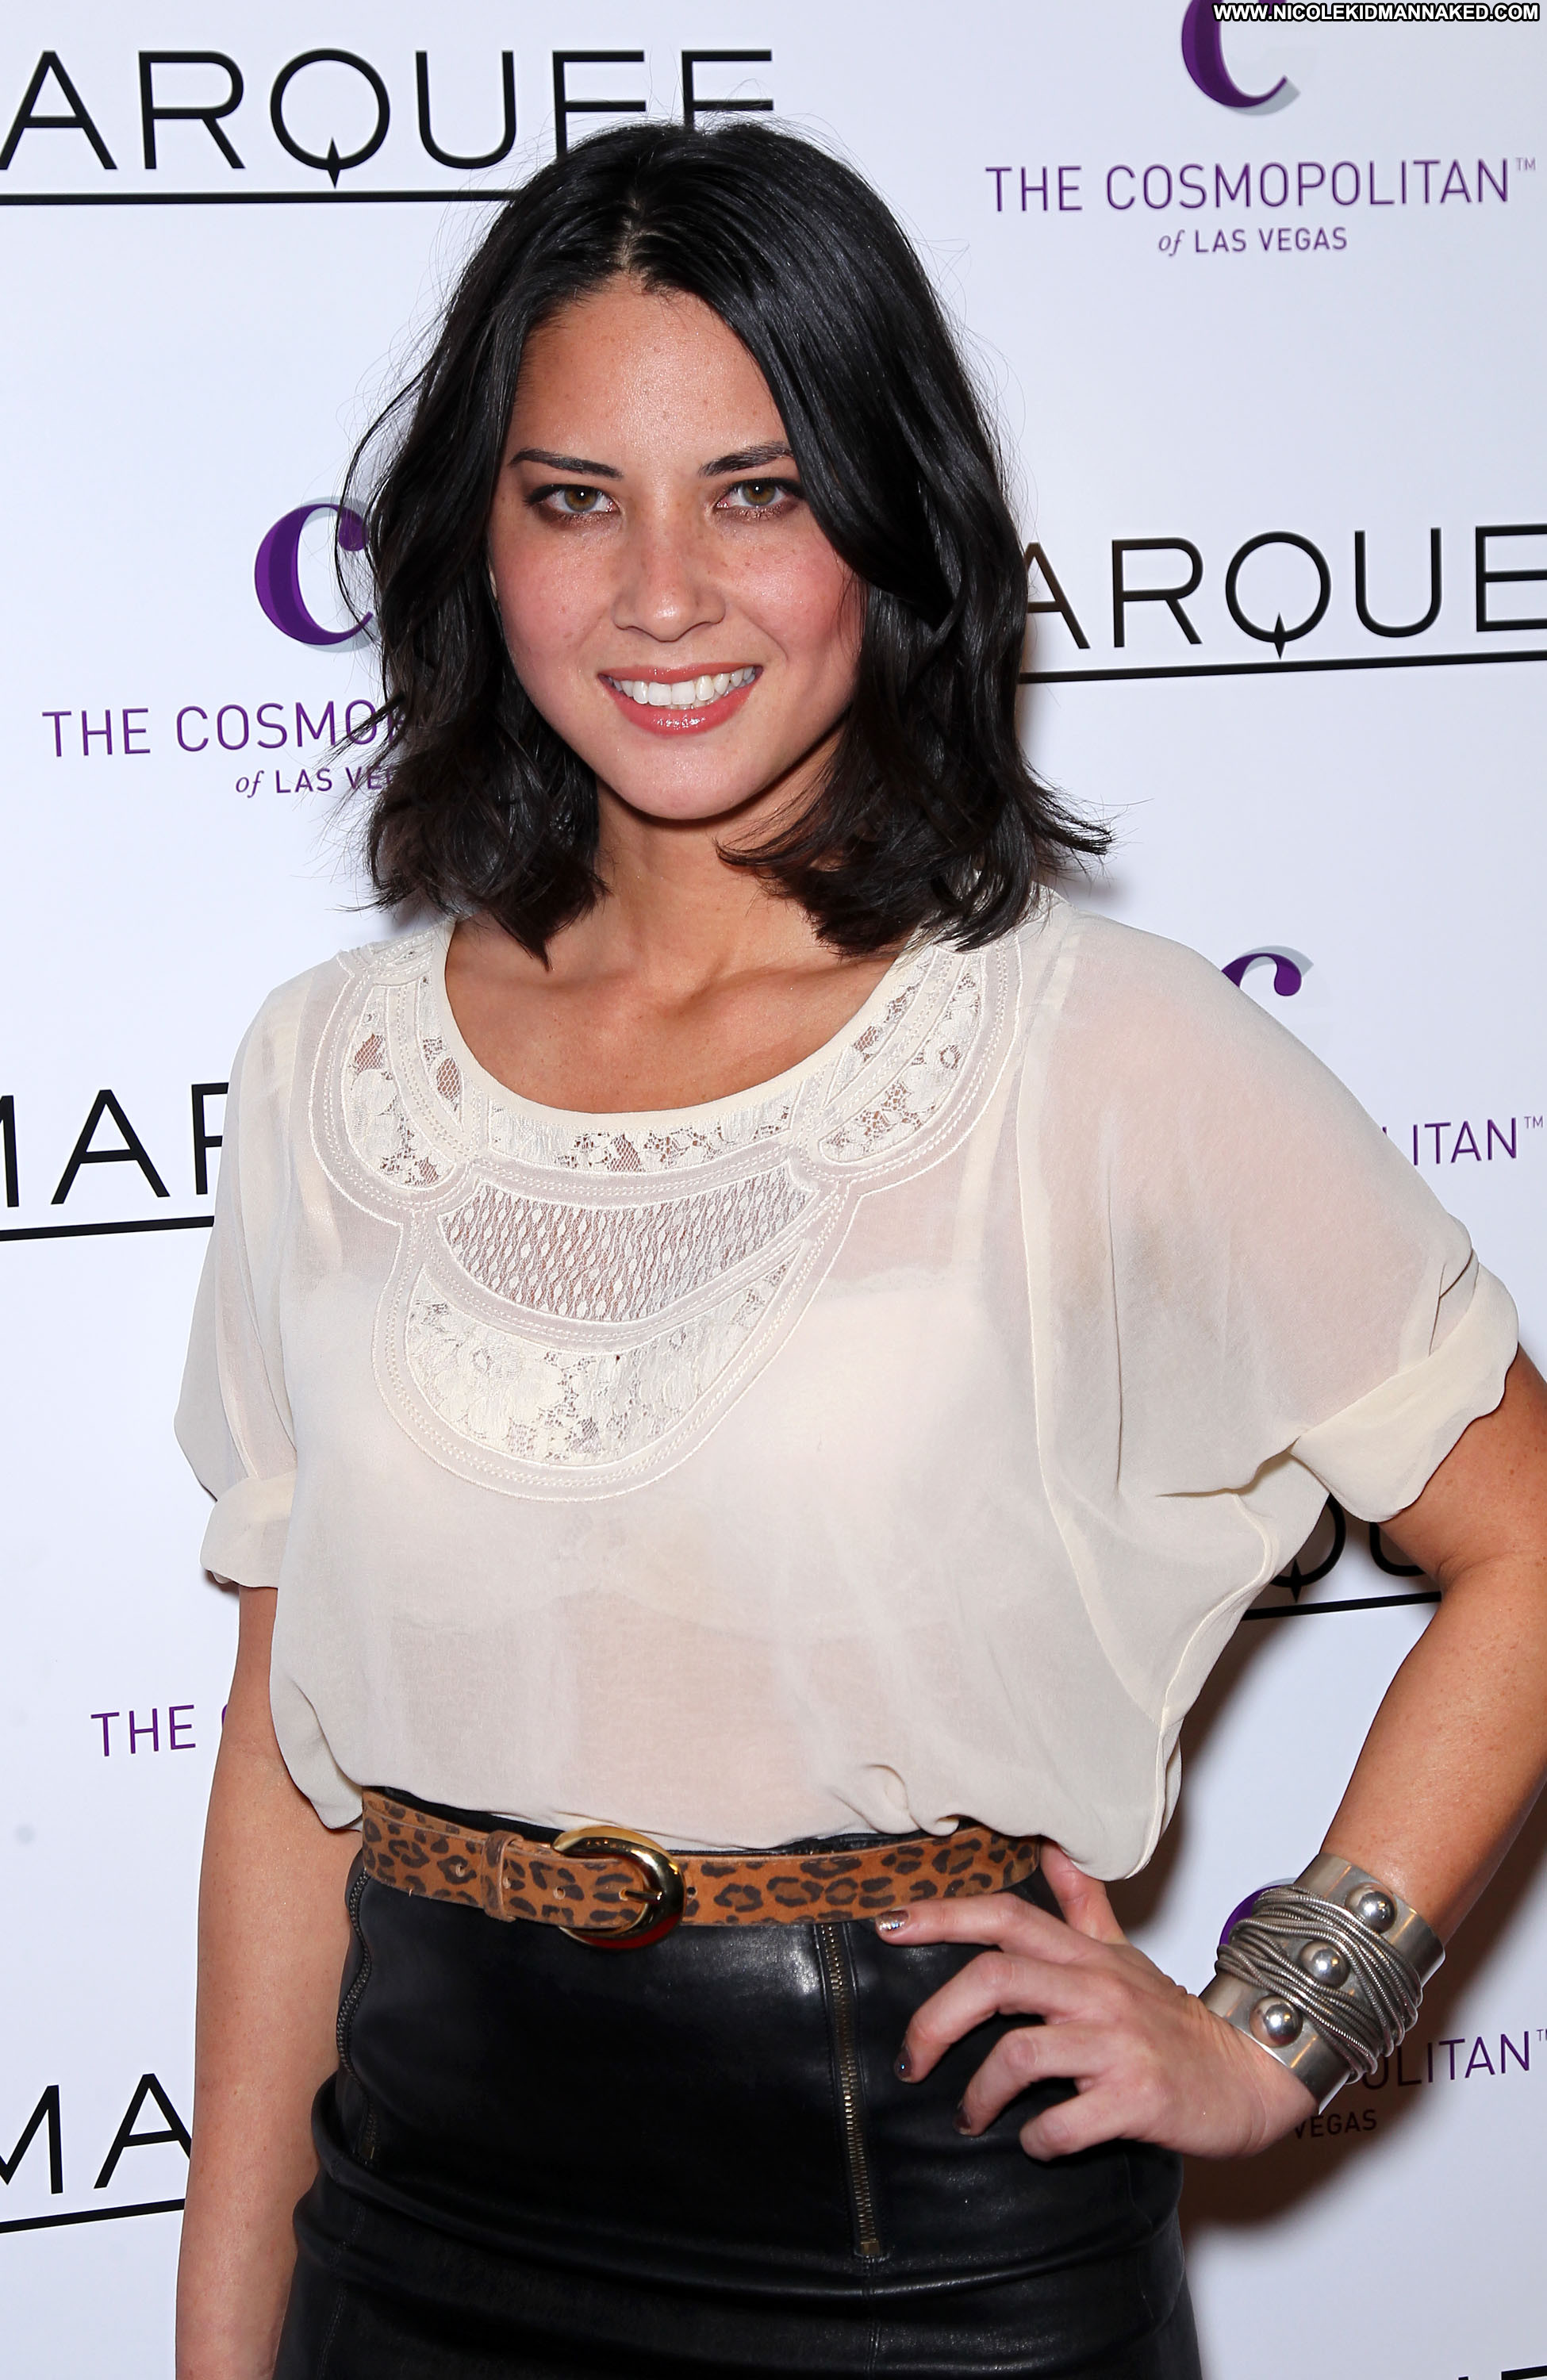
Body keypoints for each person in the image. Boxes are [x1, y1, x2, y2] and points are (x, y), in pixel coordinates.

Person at [171, 121, 1547, 2380]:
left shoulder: (1102, 1047)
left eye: (760, 490)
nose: (663, 594)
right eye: (574, 497)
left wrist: (1282, 2026)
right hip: (410, 2228)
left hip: (925, 2238)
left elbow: (1528, 1538)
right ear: (476, 547)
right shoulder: (332, 1068)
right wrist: (229, 2331)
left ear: (894, 527)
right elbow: (275, 1760)